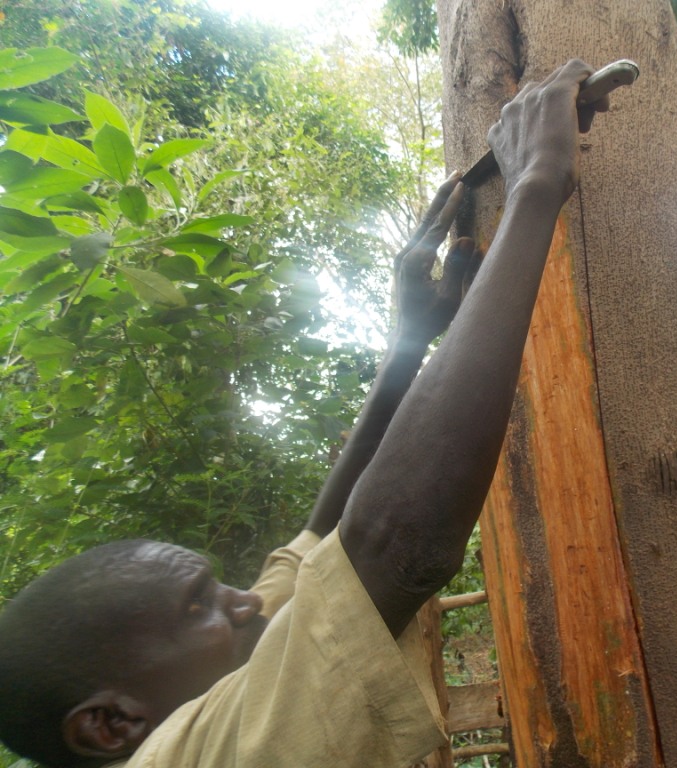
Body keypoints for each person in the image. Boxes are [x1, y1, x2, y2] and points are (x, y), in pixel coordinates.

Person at [0, 59, 609, 768]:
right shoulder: (182, 758)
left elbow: (319, 536)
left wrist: (408, 342)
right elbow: (391, 545)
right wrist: (536, 181)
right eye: (202, 607)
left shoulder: (229, 670)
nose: (247, 603)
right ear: (110, 726)